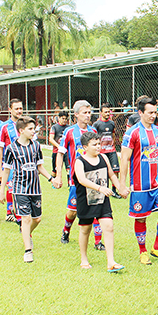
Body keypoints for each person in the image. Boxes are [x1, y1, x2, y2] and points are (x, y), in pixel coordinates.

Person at [119, 96, 158, 265]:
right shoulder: (132, 133)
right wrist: (122, 184)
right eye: (150, 113)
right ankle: (142, 251)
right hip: (141, 185)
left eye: (155, 113)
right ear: (140, 113)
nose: (153, 116)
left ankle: (157, 247)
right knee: (141, 218)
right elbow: (125, 159)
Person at [0, 117, 53, 263]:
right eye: (30, 129)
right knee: (26, 218)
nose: (33, 131)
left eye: (33, 128)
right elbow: (6, 170)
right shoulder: (11, 149)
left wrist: (51, 179)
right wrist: (2, 190)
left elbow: (40, 166)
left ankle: (26, 233)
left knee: (37, 219)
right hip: (19, 187)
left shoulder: (36, 146)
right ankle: (28, 250)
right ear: (21, 130)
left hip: (35, 188)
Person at [73, 131, 126, 271]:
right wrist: (100, 188)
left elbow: (111, 175)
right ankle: (84, 259)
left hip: (102, 200)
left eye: (99, 144)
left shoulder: (103, 157)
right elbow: (81, 179)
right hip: (86, 201)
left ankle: (111, 262)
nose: (98, 147)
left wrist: (120, 187)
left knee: (108, 226)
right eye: (94, 144)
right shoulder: (79, 161)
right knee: (85, 229)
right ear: (85, 147)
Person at [53, 100, 97, 245]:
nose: (88, 115)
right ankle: (66, 231)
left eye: (89, 112)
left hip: (92, 178)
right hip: (76, 179)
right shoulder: (69, 132)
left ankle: (98, 241)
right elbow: (60, 153)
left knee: (96, 207)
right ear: (76, 114)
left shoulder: (93, 131)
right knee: (73, 210)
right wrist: (59, 174)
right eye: (85, 112)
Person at [0, 99, 24, 223]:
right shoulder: (4, 127)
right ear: (10, 109)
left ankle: (22, 211)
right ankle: (9, 212)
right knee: (12, 188)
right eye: (16, 108)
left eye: (21, 108)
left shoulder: (26, 123)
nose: (19, 111)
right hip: (11, 164)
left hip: (25, 163)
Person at [92, 104, 120, 180]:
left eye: (108, 112)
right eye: (105, 112)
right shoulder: (96, 124)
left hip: (111, 150)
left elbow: (113, 135)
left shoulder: (112, 123)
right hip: (102, 151)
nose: (107, 113)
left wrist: (112, 145)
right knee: (103, 171)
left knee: (116, 170)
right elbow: (94, 138)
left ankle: (114, 190)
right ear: (101, 113)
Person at [49, 111, 70, 178]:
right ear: (59, 118)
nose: (64, 120)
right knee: (55, 171)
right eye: (63, 118)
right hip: (56, 152)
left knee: (68, 169)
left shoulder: (69, 128)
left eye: (65, 119)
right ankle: (54, 183)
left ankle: (70, 184)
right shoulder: (54, 127)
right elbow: (51, 139)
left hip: (67, 152)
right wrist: (59, 147)